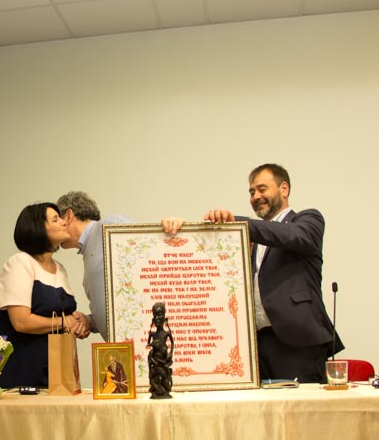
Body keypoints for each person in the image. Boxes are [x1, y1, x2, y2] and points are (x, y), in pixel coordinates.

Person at [164, 163, 342, 383]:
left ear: (284, 189)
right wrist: (179, 230)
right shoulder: (249, 238)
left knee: (299, 405)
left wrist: (239, 223)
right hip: (255, 345)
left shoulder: (307, 220)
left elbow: (292, 236)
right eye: (251, 192)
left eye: (262, 189)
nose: (256, 196)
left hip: (296, 343)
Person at [0, 202, 89, 389]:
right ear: (37, 228)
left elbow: (61, 315)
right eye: (55, 219)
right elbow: (21, 321)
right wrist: (63, 322)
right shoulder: (20, 262)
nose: (64, 222)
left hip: (52, 369)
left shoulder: (60, 269)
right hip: (17, 368)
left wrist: (77, 322)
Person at [56, 191, 131, 339]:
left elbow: (145, 243)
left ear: (68, 216)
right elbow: (115, 306)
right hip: (121, 346)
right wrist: (89, 321)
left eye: (58, 220)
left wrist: (171, 227)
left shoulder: (107, 225)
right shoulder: (88, 249)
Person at [146, 302, 174, 398]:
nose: (157, 318)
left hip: (164, 358)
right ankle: (156, 390)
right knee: (155, 376)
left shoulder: (166, 333)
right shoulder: (153, 334)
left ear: (164, 315)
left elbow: (172, 343)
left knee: (165, 376)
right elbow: (148, 344)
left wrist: (170, 353)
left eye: (159, 314)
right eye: (154, 315)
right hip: (155, 358)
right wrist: (152, 344)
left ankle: (165, 389)